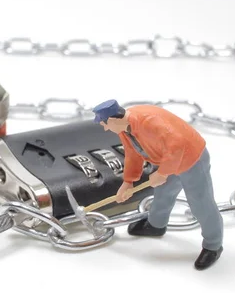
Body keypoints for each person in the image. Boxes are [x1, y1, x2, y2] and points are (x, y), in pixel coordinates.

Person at [92, 99, 224, 270]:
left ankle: (213, 245)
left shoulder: (150, 122)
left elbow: (178, 145)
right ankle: (156, 225)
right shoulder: (124, 129)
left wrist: (162, 173)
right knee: (162, 193)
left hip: (192, 159)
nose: (105, 128)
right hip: (168, 161)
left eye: (105, 124)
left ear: (114, 119)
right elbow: (133, 153)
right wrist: (128, 181)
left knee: (200, 202)